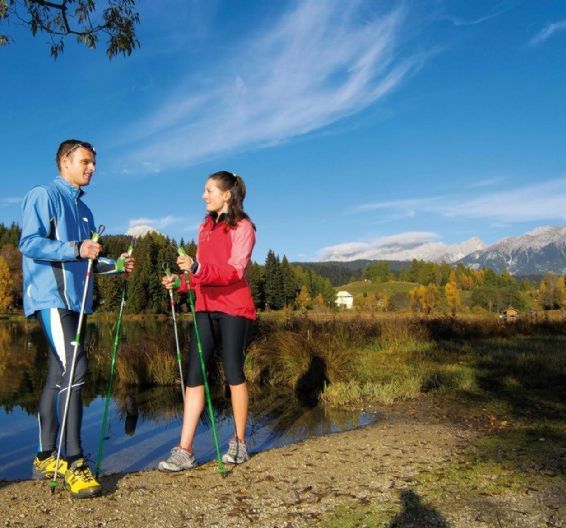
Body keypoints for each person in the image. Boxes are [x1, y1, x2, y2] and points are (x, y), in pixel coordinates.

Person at [19, 140, 135, 498]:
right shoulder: (44, 195)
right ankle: (74, 461)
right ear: (65, 161)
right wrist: (74, 248)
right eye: (86, 161)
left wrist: (115, 266)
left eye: (94, 163)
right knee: (77, 367)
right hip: (50, 298)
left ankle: (43, 457)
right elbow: (30, 243)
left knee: (59, 375)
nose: (92, 168)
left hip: (77, 303)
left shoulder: (83, 211)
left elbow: (85, 259)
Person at [158, 170, 256, 472]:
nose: (204, 195)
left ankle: (239, 443)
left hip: (234, 307)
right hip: (204, 306)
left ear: (226, 194)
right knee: (194, 375)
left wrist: (197, 267)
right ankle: (185, 449)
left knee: (233, 371)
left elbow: (234, 271)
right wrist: (180, 283)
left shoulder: (244, 226)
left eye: (209, 190)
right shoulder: (205, 227)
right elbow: (198, 276)